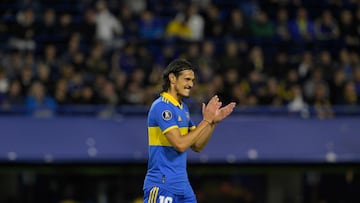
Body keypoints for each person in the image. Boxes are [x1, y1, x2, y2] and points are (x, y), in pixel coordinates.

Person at [143, 59, 236, 202]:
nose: (191, 84)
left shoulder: (183, 109)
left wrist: (212, 123)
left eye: (192, 80)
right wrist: (206, 121)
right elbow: (180, 145)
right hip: (162, 184)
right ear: (172, 78)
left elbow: (197, 145)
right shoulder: (162, 107)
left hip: (183, 186)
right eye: (187, 79)